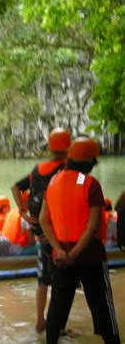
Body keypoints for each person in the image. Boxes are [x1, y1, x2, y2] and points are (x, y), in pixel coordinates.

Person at [39, 136, 121, 344]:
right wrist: (74, 255)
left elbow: (43, 220)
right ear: (88, 162)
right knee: (102, 306)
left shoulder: (54, 181)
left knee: (58, 306)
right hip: (89, 255)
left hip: (61, 256)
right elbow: (92, 226)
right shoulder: (90, 184)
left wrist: (59, 250)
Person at [10, 127, 71, 332]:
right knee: (62, 283)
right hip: (57, 235)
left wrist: (22, 211)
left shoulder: (37, 169)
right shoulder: (68, 169)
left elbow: (14, 187)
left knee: (43, 281)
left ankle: (40, 321)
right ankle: (59, 326)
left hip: (38, 232)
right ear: (68, 146)